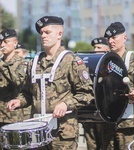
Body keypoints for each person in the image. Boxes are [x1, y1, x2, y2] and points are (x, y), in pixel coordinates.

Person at [7, 16, 94, 150]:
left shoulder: (71, 61)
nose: (43, 36)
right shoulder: (34, 62)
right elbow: (27, 93)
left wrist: (66, 104)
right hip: (38, 131)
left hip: (62, 133)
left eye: (47, 32)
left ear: (59, 34)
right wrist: (19, 101)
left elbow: (87, 93)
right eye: (41, 33)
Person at [103, 22, 134, 149]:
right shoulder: (105, 60)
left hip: (129, 124)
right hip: (107, 122)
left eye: (114, 38)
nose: (110, 41)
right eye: (108, 39)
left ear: (124, 38)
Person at [82, 37, 113, 150]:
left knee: (106, 145)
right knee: (91, 145)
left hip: (105, 113)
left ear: (107, 49)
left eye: (99, 47)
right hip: (90, 111)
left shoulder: (112, 65)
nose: (95, 50)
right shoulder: (89, 65)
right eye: (94, 47)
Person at [0, 29, 27, 149]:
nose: (2, 45)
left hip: (13, 117)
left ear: (15, 43)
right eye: (1, 42)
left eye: (6, 42)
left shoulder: (22, 63)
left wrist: (2, 65)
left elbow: (19, 82)